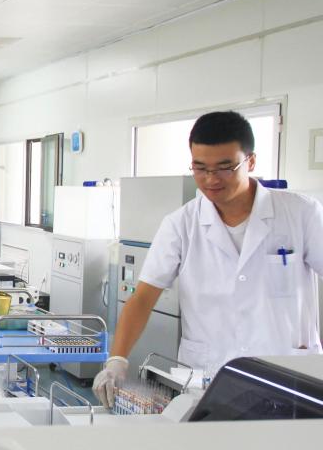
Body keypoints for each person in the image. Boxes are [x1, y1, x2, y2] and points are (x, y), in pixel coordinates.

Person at [94, 110, 323, 407]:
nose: (211, 179)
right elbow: (142, 298)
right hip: (209, 377)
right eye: (200, 168)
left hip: (286, 374)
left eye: (225, 168)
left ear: (251, 161)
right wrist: (117, 360)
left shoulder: (301, 214)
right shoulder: (180, 225)